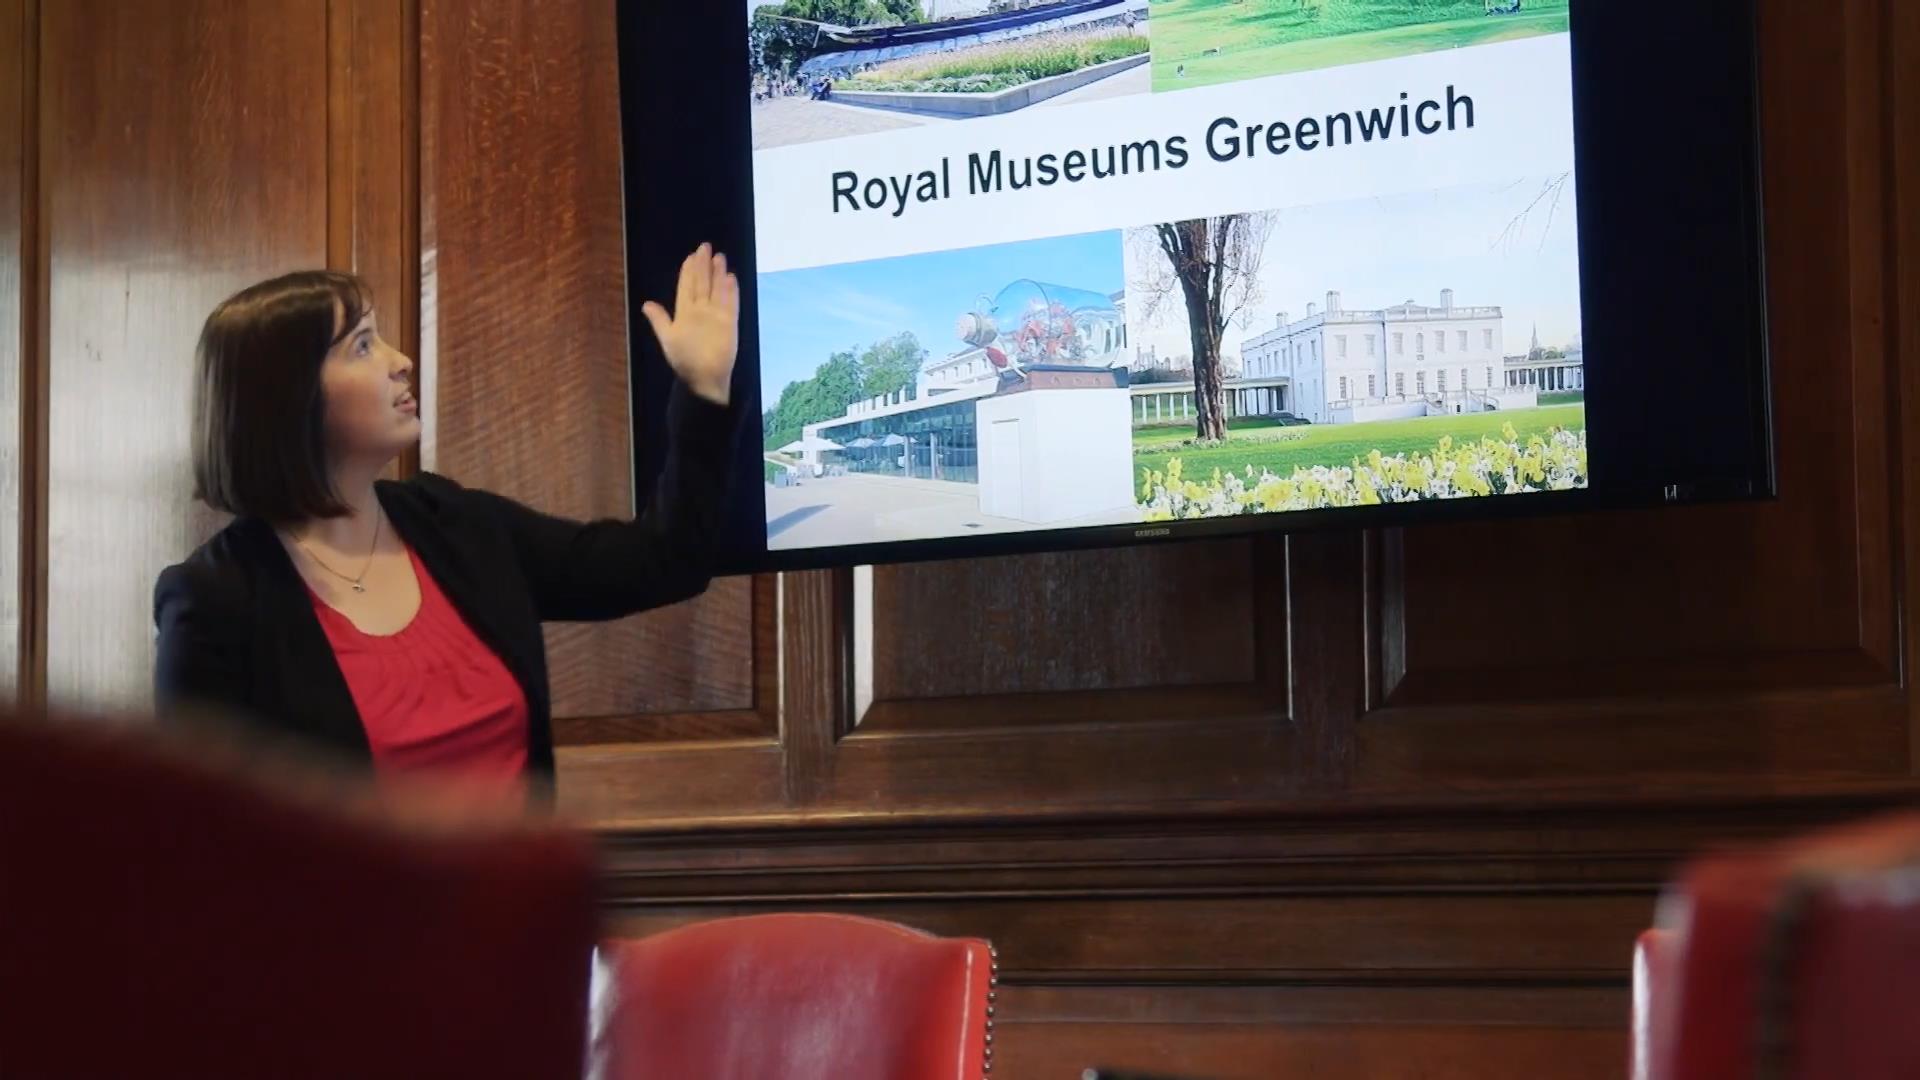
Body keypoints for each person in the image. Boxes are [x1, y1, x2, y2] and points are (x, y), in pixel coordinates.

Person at [154, 244, 740, 803]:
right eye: (362, 346)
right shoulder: (215, 601)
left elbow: (668, 560)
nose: (400, 360)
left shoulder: (459, 525)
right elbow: (203, 853)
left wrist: (703, 387)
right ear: (289, 396)